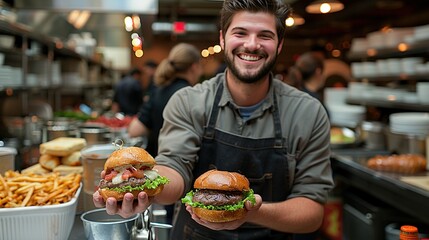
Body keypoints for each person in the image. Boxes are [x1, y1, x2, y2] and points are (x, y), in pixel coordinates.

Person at [94, 0, 334, 239]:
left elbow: (312, 212)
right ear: (222, 39)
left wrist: (248, 213)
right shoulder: (188, 101)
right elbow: (174, 167)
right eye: (240, 33)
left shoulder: (308, 113)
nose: (251, 44)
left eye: (265, 35)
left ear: (280, 44)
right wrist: (143, 189)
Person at [127, 43, 203, 223]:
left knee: (168, 213)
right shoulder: (193, 96)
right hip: (185, 172)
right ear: (194, 66)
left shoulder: (158, 91)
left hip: (157, 167)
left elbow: (134, 129)